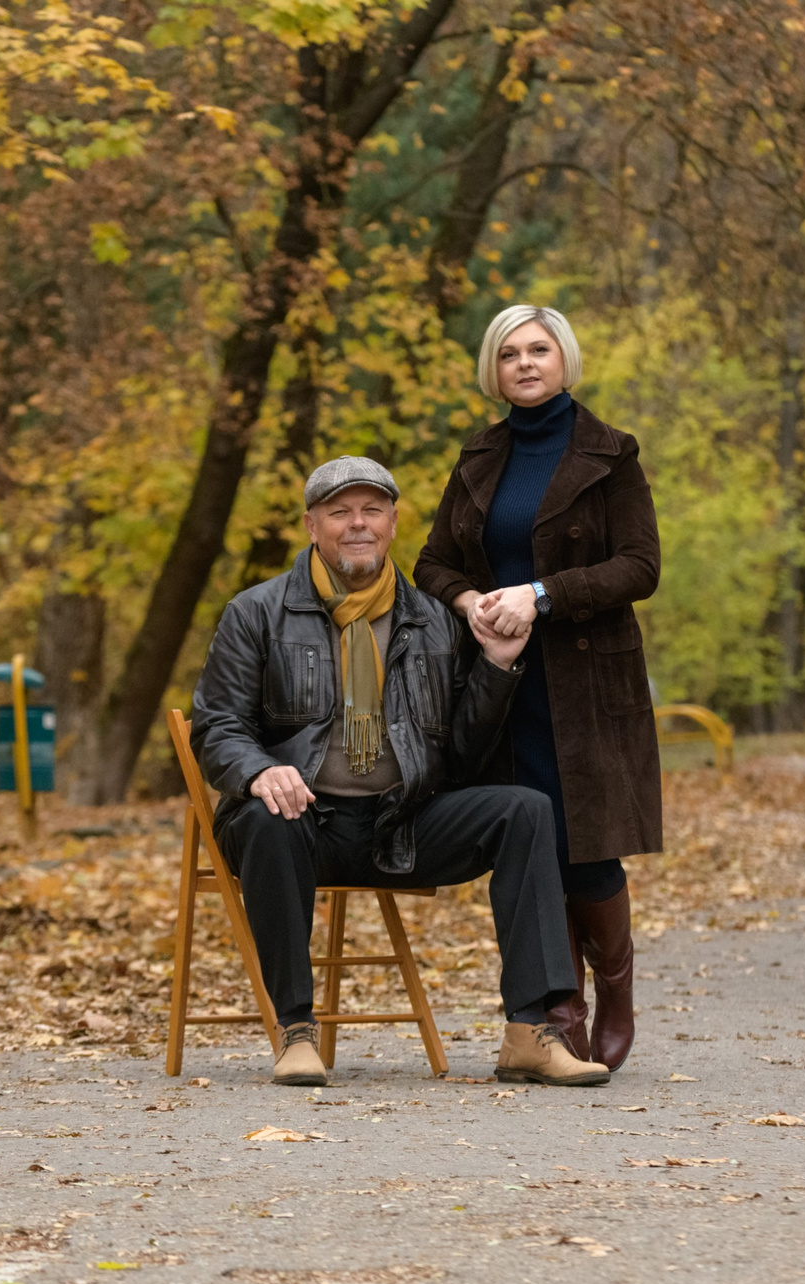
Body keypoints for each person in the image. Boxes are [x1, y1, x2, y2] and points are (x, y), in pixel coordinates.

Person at [191, 456, 608, 1089]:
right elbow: (216, 725)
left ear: (392, 522)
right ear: (311, 526)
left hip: (404, 824)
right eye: (339, 512)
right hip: (304, 824)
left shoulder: (434, 619)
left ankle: (530, 1031)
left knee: (525, 810)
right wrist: (258, 772)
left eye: (372, 510)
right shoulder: (256, 612)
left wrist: (497, 666)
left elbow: (461, 755)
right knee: (267, 816)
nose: (357, 524)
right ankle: (295, 1030)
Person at [414, 304, 662, 1074]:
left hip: (587, 682)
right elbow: (431, 563)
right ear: (494, 369)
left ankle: (613, 987)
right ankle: (558, 1010)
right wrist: (471, 603)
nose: (525, 363)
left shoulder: (611, 453)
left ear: (564, 360)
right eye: (509, 353)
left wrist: (541, 594)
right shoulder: (478, 456)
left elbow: (640, 566)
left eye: (539, 350)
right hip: (500, 683)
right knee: (532, 842)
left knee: (587, 843)